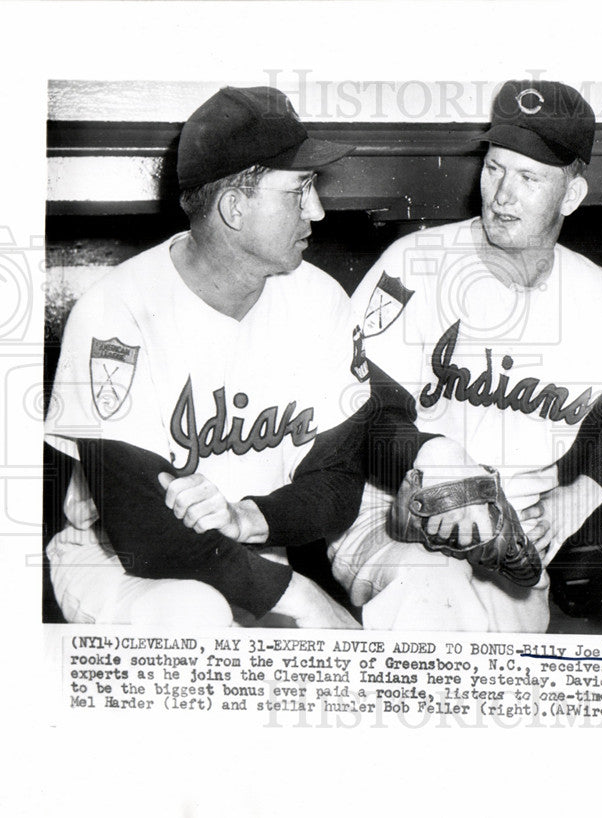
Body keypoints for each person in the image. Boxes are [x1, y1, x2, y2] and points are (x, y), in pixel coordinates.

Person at [45, 85, 377, 628]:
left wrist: (247, 517)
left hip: (250, 552)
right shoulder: (116, 310)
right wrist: (301, 595)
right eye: (299, 190)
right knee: (193, 615)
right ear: (233, 207)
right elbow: (146, 539)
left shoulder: (319, 299)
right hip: (115, 563)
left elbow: (337, 486)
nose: (317, 209)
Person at [340, 80, 602, 632]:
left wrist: (571, 504)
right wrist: (438, 462)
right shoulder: (415, 264)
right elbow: (359, 415)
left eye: (529, 178)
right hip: (389, 514)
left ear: (571, 196)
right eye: (495, 168)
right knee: (435, 595)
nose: (502, 195)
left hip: (516, 535)